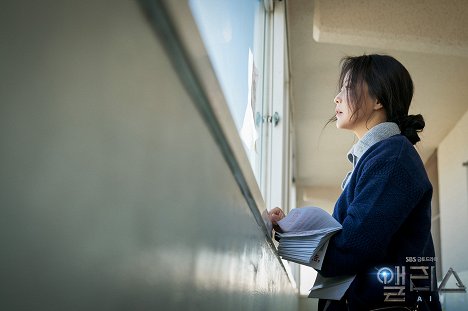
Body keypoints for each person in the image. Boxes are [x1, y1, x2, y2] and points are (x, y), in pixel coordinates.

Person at [269, 54, 441, 310]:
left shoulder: (392, 156)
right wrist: (290, 230)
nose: (336, 97)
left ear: (378, 99)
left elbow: (351, 250)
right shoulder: (380, 157)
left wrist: (292, 235)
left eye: (347, 88)